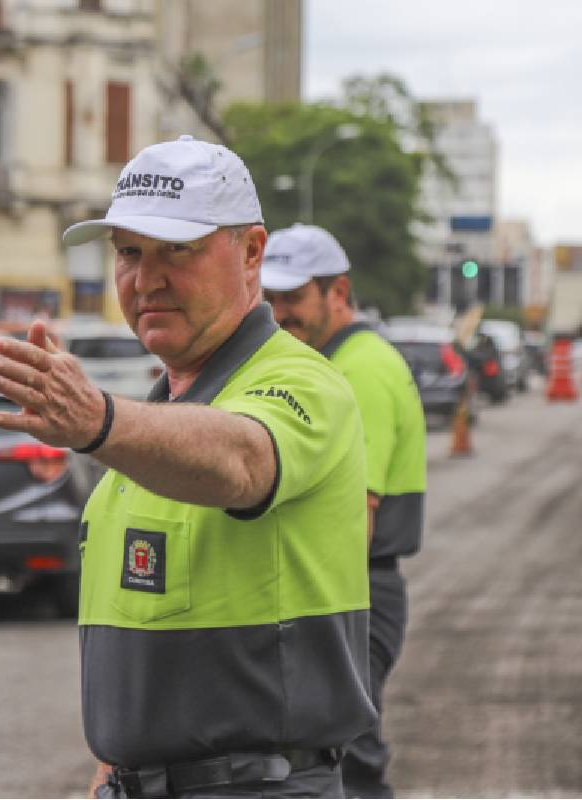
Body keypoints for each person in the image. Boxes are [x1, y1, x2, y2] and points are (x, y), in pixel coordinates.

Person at [0, 135, 374, 798]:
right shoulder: (163, 415)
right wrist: (112, 772)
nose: (146, 279)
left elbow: (241, 460)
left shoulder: (304, 382)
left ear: (252, 252)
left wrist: (98, 422)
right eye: (130, 252)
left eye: (178, 250)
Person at [260, 224, 427, 799]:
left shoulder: (359, 370)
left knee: (345, 760)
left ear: (338, 292)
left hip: (351, 593)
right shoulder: (332, 362)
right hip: (345, 592)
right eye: (272, 299)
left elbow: (358, 517)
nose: (280, 314)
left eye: (295, 298)